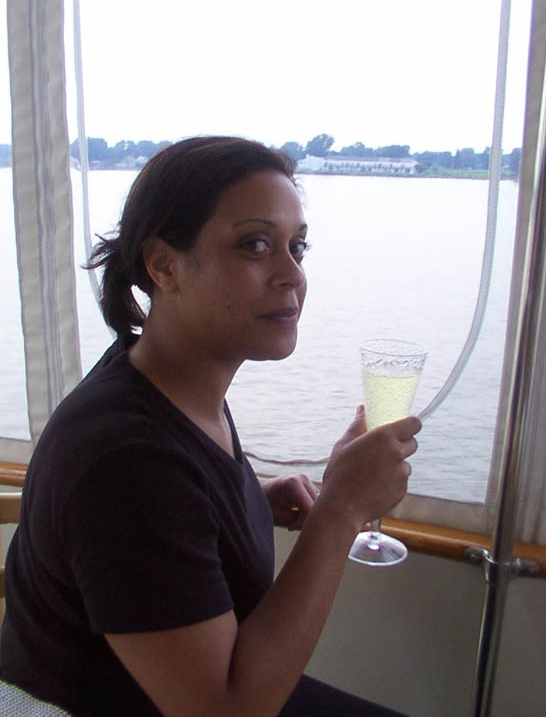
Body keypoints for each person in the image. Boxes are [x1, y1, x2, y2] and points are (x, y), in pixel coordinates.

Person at [0, 136, 420, 716]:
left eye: (297, 247)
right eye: (255, 245)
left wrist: (246, 500)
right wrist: (342, 509)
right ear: (164, 265)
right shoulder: (124, 458)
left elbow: (165, 509)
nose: (293, 275)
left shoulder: (168, 383)